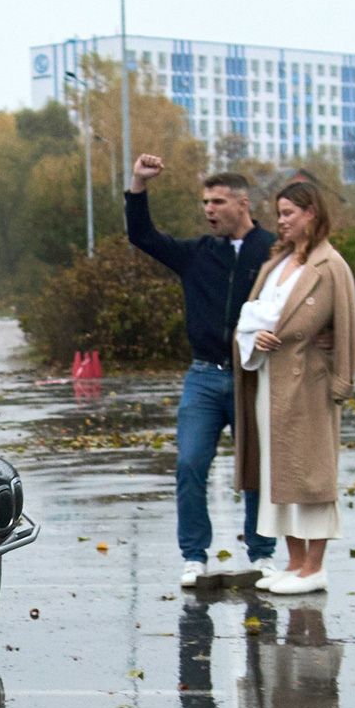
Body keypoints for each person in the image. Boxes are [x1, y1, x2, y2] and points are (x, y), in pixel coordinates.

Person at [125, 153, 278, 586]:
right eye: (205, 202)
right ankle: (194, 557)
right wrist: (139, 183)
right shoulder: (196, 254)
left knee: (257, 468)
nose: (208, 209)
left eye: (217, 202)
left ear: (242, 204)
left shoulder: (271, 251)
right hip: (204, 377)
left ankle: (262, 553)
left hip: (255, 375)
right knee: (190, 463)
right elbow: (142, 235)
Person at [233, 177, 355, 594]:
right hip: (270, 382)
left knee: (311, 475)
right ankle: (294, 561)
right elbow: (250, 318)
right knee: (279, 474)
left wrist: (341, 380)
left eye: (288, 213)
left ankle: (314, 567)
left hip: (310, 385)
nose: (280, 221)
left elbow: (347, 327)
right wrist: (255, 339)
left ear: (312, 214)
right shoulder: (275, 264)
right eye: (279, 213)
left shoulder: (330, 265)